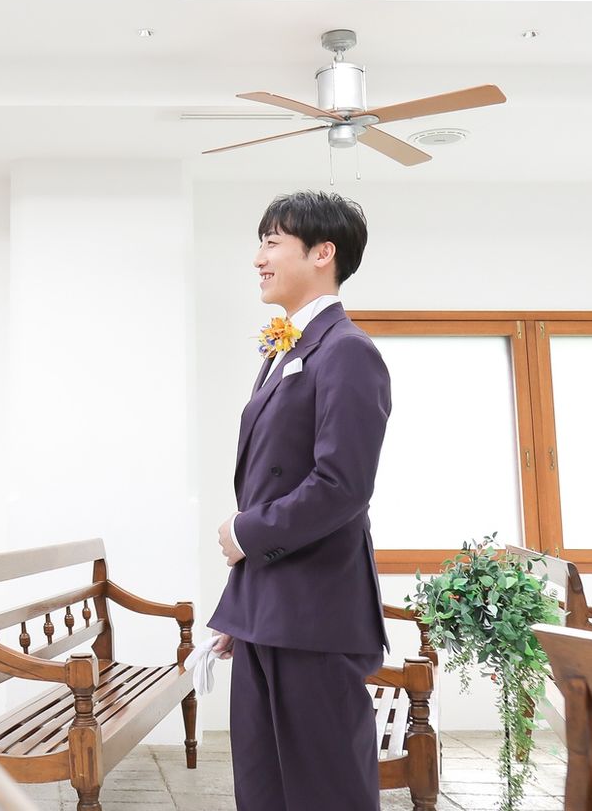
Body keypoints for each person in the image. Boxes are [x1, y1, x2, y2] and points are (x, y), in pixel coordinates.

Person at [208, 190, 391, 811]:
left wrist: (245, 533)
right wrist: (241, 606)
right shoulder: (284, 349)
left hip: (315, 613)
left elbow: (342, 486)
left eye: (272, 242)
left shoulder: (347, 350)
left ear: (322, 253)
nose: (258, 258)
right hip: (270, 610)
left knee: (326, 791)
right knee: (264, 790)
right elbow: (274, 487)